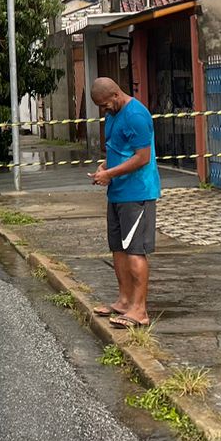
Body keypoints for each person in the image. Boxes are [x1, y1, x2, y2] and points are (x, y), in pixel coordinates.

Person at [88, 77, 161, 329]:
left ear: (117, 95)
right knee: (118, 248)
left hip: (137, 192)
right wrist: (104, 167)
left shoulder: (137, 115)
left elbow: (142, 157)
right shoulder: (112, 115)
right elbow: (118, 149)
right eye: (101, 107)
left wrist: (110, 174)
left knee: (134, 251)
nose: (104, 110)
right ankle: (124, 301)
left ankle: (139, 311)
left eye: (106, 104)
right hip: (118, 192)